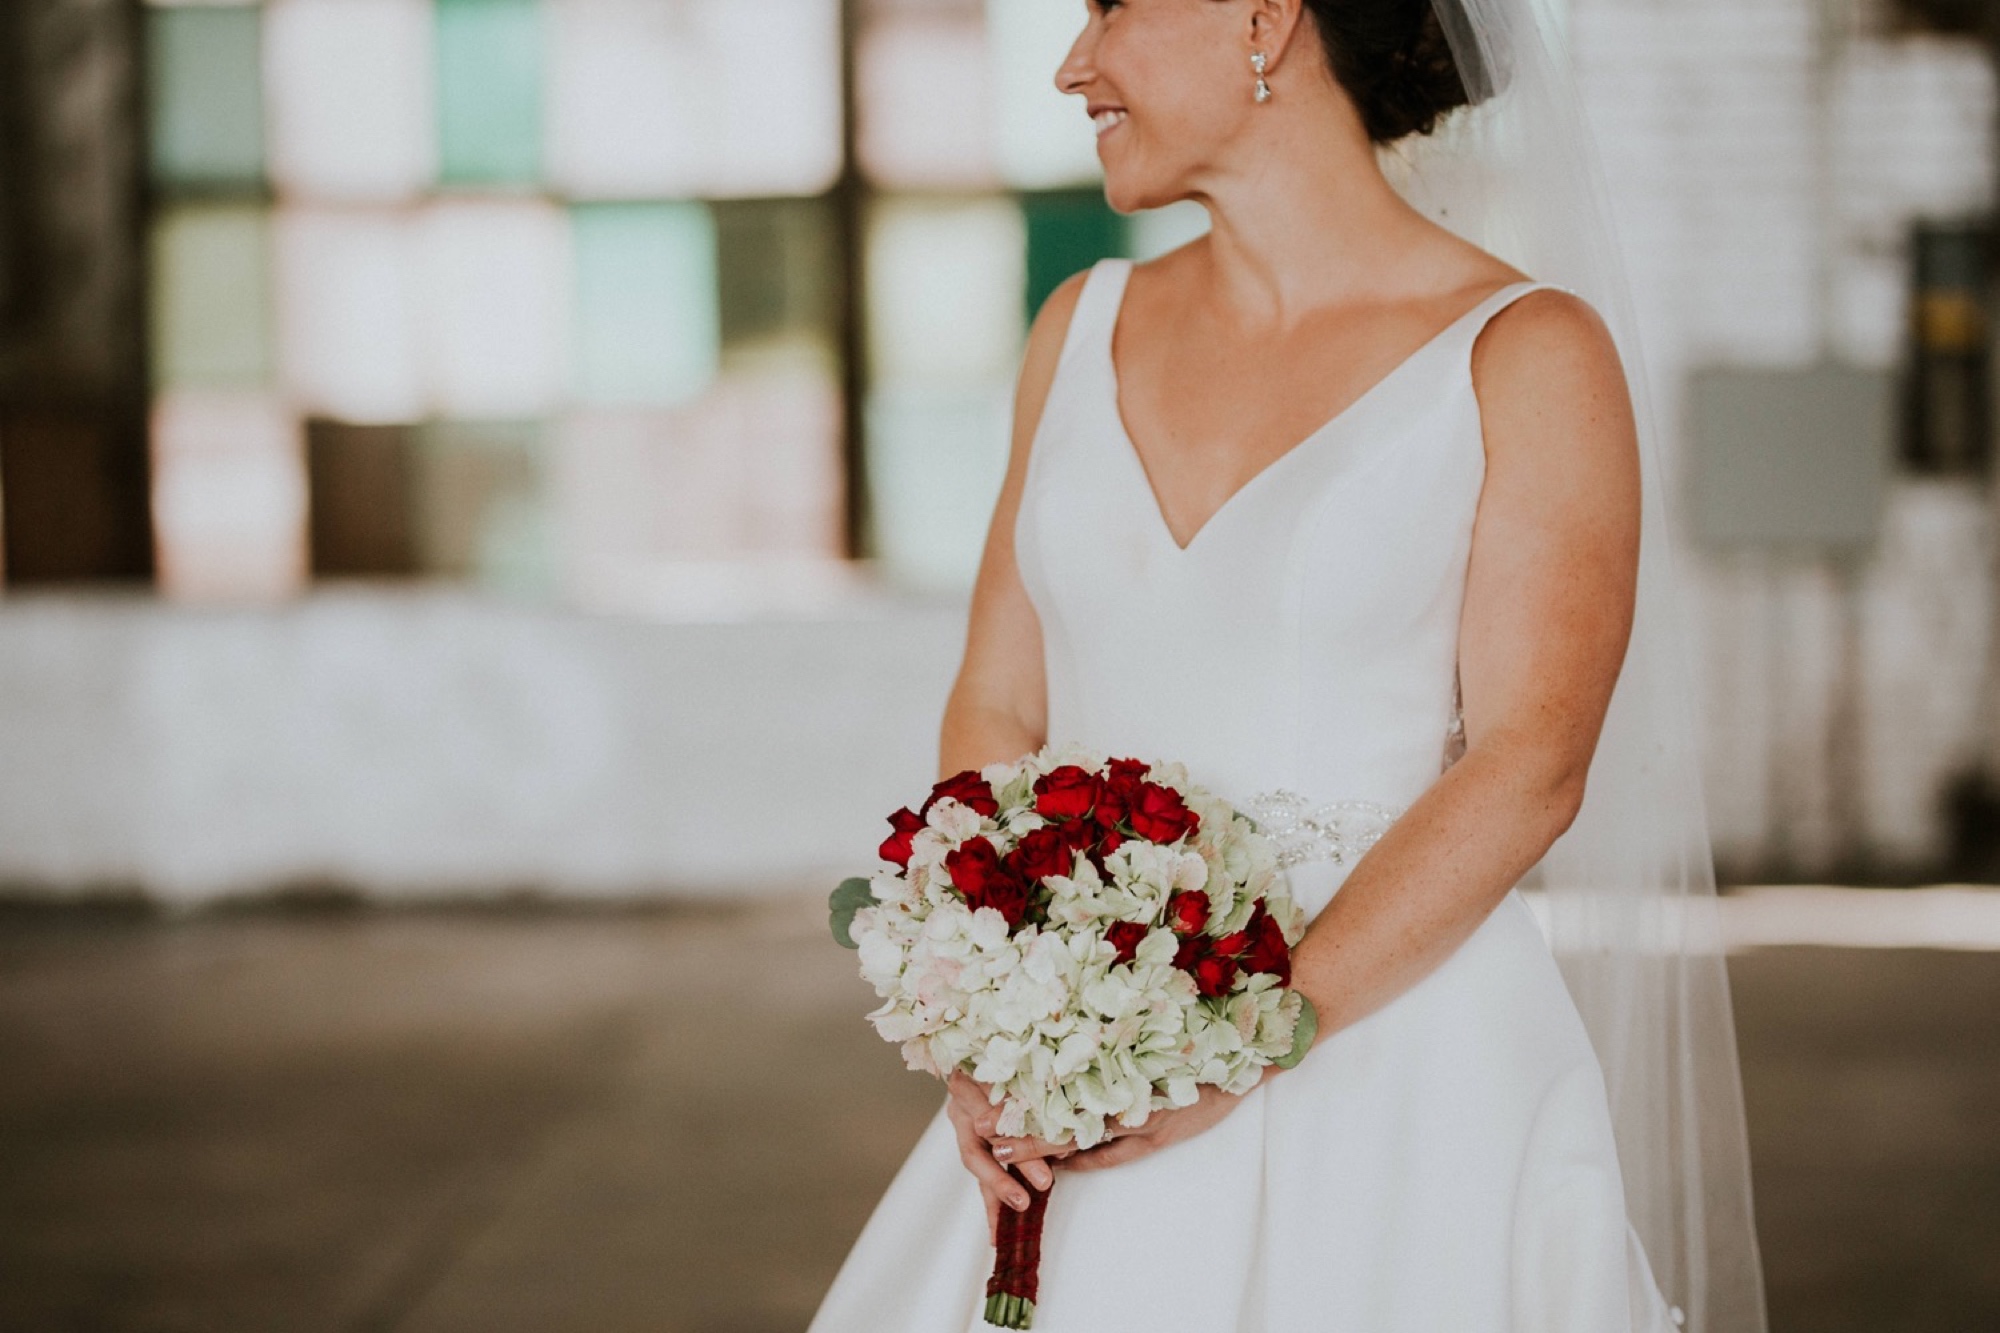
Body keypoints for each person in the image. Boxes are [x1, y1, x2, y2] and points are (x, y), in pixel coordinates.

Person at [811, 1, 1765, 1329]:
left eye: (1111, 8)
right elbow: (1001, 697)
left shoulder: (1527, 355)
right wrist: (991, 1015)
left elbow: (1532, 762)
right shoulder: (1077, 328)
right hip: (1090, 1065)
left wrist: (1239, 1042)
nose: (1071, 64)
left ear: (1265, 15)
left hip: (1399, 1073)